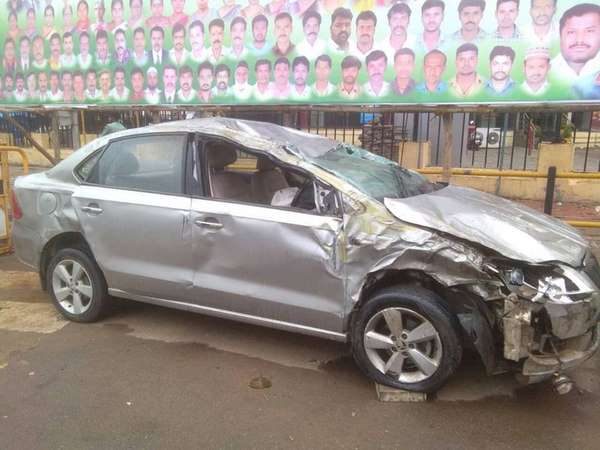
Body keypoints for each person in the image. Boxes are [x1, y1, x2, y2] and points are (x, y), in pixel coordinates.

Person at [551, 3, 600, 82]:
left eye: (590, 31)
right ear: (560, 36)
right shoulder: (543, 71)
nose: (579, 40)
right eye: (571, 32)